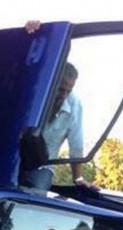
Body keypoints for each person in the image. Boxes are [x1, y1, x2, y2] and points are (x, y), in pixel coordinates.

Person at [23, 21, 97, 191]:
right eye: (60, 89)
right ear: (52, 82)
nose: (63, 95)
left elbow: (76, 145)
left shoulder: (75, 106)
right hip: (13, 156)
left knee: (38, 190)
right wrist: (31, 33)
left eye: (68, 91)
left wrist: (78, 178)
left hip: (43, 165)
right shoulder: (33, 93)